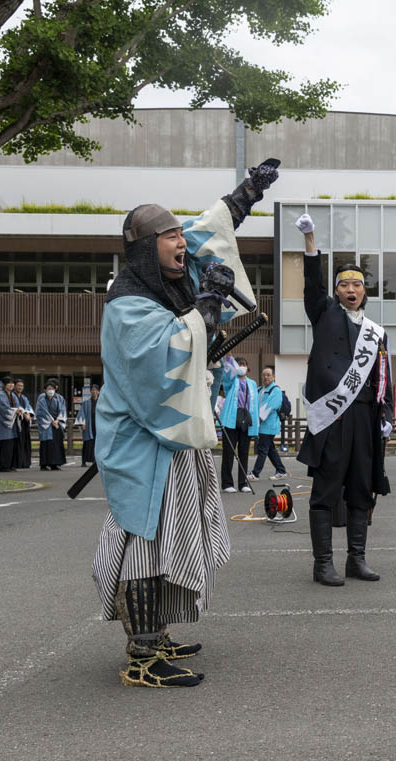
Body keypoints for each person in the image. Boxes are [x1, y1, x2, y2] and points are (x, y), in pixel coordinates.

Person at [93, 161, 276, 687]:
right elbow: (166, 355)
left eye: (178, 234)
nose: (181, 243)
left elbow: (208, 229)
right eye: (169, 236)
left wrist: (245, 194)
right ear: (146, 248)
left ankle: (157, 633)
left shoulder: (173, 277)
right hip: (147, 443)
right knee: (149, 544)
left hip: (177, 439)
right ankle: (142, 657)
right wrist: (209, 304)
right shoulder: (127, 305)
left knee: (177, 538)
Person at [294, 213, 392, 587]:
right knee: (327, 487)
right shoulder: (323, 313)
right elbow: (312, 283)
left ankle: (357, 559)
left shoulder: (376, 333)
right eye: (345, 284)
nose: (351, 288)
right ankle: (323, 564)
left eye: (358, 283)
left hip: (365, 417)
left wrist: (383, 412)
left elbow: (383, 377)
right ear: (337, 291)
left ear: (365, 291)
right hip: (332, 418)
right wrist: (311, 242)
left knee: (360, 486)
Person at [217, 356, 258, 492]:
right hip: (231, 420)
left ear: (248, 367)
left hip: (246, 420)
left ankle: (243, 483)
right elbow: (226, 371)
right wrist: (228, 361)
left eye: (244, 364)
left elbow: (256, 405)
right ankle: (227, 483)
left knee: (244, 452)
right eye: (239, 364)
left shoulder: (252, 383)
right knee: (228, 452)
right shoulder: (231, 381)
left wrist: (256, 424)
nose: (242, 366)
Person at [252, 365, 289, 480]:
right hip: (262, 425)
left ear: (273, 377)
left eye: (268, 375)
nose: (265, 377)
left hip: (269, 425)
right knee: (270, 449)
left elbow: (270, 406)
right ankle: (281, 471)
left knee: (262, 449)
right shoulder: (260, 389)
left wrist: (257, 419)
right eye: (263, 375)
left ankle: (255, 473)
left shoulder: (276, 390)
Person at [36, 379, 68, 471]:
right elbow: (40, 412)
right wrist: (51, 421)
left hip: (57, 423)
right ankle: (44, 464)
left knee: (56, 444)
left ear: (55, 389)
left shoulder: (59, 398)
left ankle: (55, 463)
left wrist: (58, 420)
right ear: (45, 390)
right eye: (48, 388)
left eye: (52, 388)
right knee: (46, 444)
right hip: (46, 424)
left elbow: (63, 410)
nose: (50, 390)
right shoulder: (41, 399)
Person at [0, 376, 21, 472]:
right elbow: (4, 409)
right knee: (5, 445)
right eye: (9, 383)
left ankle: (11, 465)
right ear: (4, 385)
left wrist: (19, 410)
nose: (11, 385)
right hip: (3, 424)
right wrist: (15, 411)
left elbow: (17, 406)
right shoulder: (1, 396)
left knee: (12, 445)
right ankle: (4, 466)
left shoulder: (14, 395)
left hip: (12, 424)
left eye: (12, 383)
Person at [75, 383, 101, 466]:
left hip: (98, 424)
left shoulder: (101, 402)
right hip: (88, 424)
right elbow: (81, 413)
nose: (94, 392)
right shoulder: (86, 403)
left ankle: (94, 460)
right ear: (90, 391)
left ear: (99, 392)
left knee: (96, 443)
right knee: (87, 442)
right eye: (93, 390)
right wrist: (82, 423)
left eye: (96, 390)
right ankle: (84, 461)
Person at [13, 378, 34, 469]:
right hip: (16, 422)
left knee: (25, 442)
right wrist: (24, 413)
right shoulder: (12, 396)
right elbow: (16, 407)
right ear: (14, 386)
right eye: (18, 385)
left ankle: (25, 462)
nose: (20, 387)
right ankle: (18, 462)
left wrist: (28, 414)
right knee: (18, 443)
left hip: (24, 423)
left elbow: (28, 407)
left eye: (21, 386)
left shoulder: (24, 397)